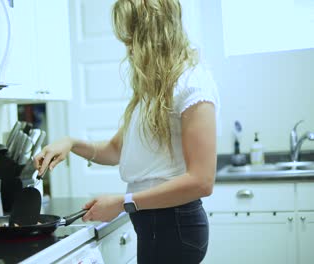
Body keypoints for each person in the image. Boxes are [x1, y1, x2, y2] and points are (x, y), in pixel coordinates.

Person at [34, 0, 220, 263]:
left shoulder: (192, 85)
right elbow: (114, 150)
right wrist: (70, 143)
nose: (128, 48)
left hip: (175, 227)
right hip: (154, 225)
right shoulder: (152, 90)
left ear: (153, 35)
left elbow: (201, 181)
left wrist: (124, 202)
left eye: (132, 38)